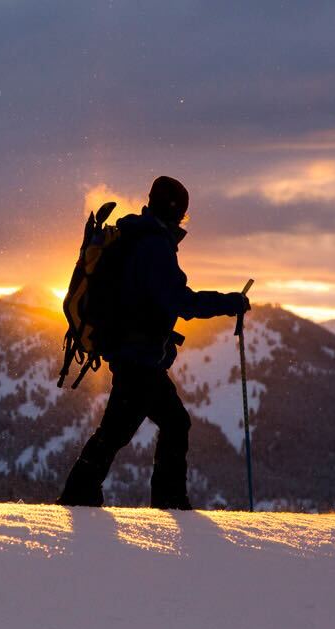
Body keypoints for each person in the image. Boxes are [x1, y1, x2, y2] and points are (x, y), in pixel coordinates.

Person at [57, 175, 249, 510]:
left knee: (167, 424)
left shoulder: (136, 235)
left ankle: (154, 499)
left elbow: (146, 299)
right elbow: (179, 301)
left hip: (136, 354)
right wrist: (228, 302)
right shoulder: (155, 246)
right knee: (119, 432)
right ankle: (84, 497)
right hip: (138, 358)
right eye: (183, 214)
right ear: (175, 211)